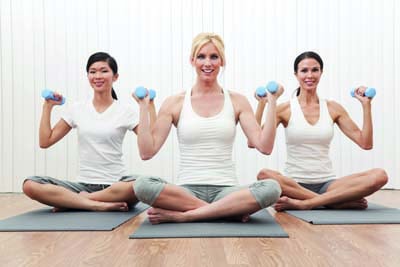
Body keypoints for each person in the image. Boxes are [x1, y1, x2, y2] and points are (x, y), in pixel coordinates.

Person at [133, 33, 282, 224]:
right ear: (192, 60)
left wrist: (272, 102)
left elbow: (265, 146)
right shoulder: (174, 103)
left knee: (272, 188)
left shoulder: (237, 101)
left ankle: (185, 216)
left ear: (222, 61)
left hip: (227, 190)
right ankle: (226, 212)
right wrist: (143, 107)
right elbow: (147, 152)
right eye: (201, 56)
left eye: (214, 57)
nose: (208, 63)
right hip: (186, 191)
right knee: (142, 185)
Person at [23, 52, 156, 212]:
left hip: (116, 187)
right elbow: (45, 141)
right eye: (93, 72)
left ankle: (74, 202)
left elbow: (151, 140)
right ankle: (95, 204)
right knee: (30, 185)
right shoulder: (77, 109)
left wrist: (149, 107)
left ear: (115, 77)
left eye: (104, 71)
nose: (98, 76)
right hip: (82, 186)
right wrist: (48, 106)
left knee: (141, 184)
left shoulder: (124, 111)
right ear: (88, 76)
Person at [255, 51, 388, 211]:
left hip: (328, 184)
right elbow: (256, 141)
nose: (309, 75)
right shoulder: (284, 109)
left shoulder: (333, 108)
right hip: (294, 184)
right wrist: (263, 104)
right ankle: (332, 202)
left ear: (321, 73)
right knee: (264, 175)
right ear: (296, 74)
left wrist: (366, 105)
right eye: (304, 71)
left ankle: (307, 203)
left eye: (315, 70)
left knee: (380, 175)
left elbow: (365, 143)